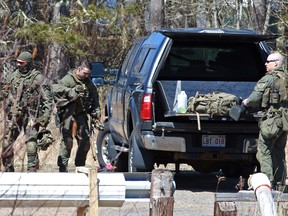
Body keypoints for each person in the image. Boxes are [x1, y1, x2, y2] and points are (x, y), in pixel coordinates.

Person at [1, 51, 53, 172]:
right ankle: (9, 170)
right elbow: (5, 94)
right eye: (18, 62)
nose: (19, 65)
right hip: (15, 115)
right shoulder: (12, 76)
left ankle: (32, 171)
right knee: (6, 143)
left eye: (22, 63)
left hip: (31, 115)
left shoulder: (38, 78)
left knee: (31, 144)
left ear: (28, 63)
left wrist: (45, 116)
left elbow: (47, 99)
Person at [242, 51, 287, 191]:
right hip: (284, 120)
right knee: (278, 152)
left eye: (269, 61)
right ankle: (281, 185)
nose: (265, 64)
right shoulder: (286, 77)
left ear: (276, 63)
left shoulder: (268, 79)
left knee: (264, 150)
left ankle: (268, 184)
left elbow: (254, 98)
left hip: (272, 120)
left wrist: (245, 102)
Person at [53, 59, 102, 172]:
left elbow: (94, 97)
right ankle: (62, 167)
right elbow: (56, 91)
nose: (86, 76)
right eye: (85, 73)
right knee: (67, 142)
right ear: (78, 69)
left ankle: (80, 165)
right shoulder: (68, 80)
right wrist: (72, 92)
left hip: (81, 115)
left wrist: (97, 112)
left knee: (85, 142)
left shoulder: (88, 83)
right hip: (67, 116)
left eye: (89, 74)